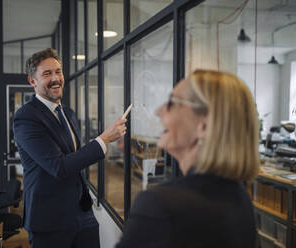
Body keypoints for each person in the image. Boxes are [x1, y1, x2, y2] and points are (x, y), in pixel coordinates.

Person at [116, 70, 259, 248]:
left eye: (171, 103)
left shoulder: (159, 205)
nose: (159, 111)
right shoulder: (240, 196)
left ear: (204, 126)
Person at [13, 48, 126, 248]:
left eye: (58, 71)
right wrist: (104, 139)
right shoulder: (26, 118)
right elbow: (59, 166)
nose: (56, 78)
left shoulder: (68, 113)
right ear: (33, 81)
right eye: (47, 74)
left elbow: (75, 158)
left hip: (82, 212)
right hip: (49, 220)